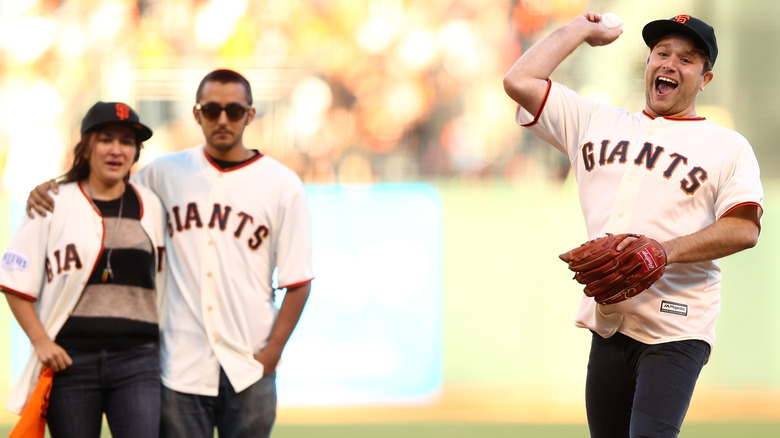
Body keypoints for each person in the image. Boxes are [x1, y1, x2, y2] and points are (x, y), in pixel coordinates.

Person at [503, 13, 763, 438]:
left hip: (678, 327)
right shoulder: (593, 123)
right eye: (661, 53)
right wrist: (581, 31)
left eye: (687, 59)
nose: (670, 64)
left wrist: (663, 250)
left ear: (705, 78)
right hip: (610, 322)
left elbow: (744, 228)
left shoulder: (728, 147)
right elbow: (519, 81)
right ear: (647, 64)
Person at [27, 69, 314, 438]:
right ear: (197, 114)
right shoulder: (164, 172)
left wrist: (271, 356)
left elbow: (299, 281)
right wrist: (55, 186)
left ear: (251, 115)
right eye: (212, 110)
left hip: (249, 363)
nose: (222, 119)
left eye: (234, 110)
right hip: (181, 365)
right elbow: (104, 182)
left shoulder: (283, 184)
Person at [1, 101, 167, 437]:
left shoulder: (152, 203)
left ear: (136, 152)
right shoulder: (52, 202)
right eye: (106, 139)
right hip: (70, 362)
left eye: (126, 141)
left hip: (137, 360)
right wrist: (40, 341)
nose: (116, 150)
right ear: (87, 146)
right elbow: (13, 280)